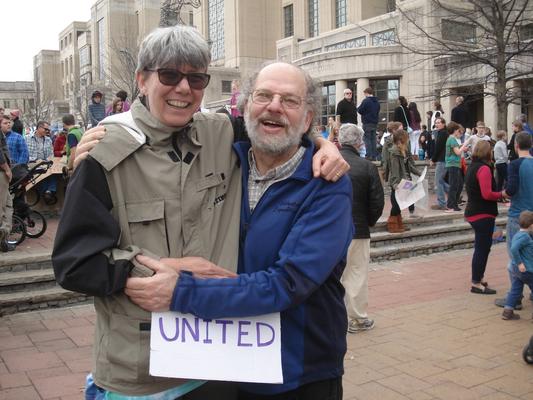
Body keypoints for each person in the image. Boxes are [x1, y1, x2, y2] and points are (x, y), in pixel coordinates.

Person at [53, 25, 347, 400]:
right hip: (143, 374)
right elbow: (74, 263)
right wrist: (159, 272)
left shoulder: (221, 134)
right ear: (142, 80)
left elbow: (280, 126)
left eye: (196, 78)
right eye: (170, 75)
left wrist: (326, 144)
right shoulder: (105, 155)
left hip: (219, 367)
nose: (183, 88)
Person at [338, 123, 384, 333]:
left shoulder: (326, 161)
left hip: (329, 230)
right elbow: (377, 202)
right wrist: (369, 221)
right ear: (359, 143)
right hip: (357, 229)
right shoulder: (367, 166)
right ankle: (356, 319)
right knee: (356, 273)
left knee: (332, 275)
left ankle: (333, 317)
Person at [495, 133, 533, 310]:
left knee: (515, 257)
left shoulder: (515, 165)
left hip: (519, 216)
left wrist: (501, 194)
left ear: (516, 146)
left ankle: (515, 298)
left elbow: (511, 189)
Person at [464, 140, 504, 295]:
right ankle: (476, 282)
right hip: (482, 213)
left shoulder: (472, 166)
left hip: (474, 211)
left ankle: (479, 277)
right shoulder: (484, 169)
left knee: (482, 248)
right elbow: (487, 193)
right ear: (488, 152)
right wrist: (502, 194)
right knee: (482, 249)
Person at [386, 129, 422, 233]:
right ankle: (392, 225)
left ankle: (398, 224)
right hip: (398, 182)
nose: (408, 140)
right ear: (401, 139)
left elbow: (408, 166)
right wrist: (395, 184)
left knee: (399, 204)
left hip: (404, 181)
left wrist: (419, 173)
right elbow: (394, 169)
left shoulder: (403, 150)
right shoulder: (394, 152)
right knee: (396, 204)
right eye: (406, 138)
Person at [501, 210, 533, 320]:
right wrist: (520, 263)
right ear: (531, 225)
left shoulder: (517, 234)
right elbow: (514, 249)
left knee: (515, 290)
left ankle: (507, 312)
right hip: (527, 270)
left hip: (516, 271)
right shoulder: (525, 237)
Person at [25, 120, 56, 201]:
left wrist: (48, 161)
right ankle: (47, 192)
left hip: (45, 162)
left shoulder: (48, 140)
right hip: (32, 163)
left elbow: (51, 154)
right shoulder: (27, 138)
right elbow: (25, 155)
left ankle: (49, 191)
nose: (47, 131)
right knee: (42, 170)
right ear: (39, 128)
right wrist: (35, 160)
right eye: (46, 129)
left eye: (48, 130)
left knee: (53, 171)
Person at [444, 122, 467, 212]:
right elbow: (457, 152)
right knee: (454, 186)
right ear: (455, 130)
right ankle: (450, 206)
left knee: (458, 185)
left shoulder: (452, 139)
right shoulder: (452, 139)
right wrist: (464, 146)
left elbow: (456, 150)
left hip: (455, 164)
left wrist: (461, 147)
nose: (459, 132)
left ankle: (454, 204)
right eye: (458, 130)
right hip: (452, 164)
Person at [0, 117, 13, 253]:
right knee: (2, 206)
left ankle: (4, 234)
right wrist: (7, 169)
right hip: (1, 172)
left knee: (8, 204)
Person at [430, 117, 449, 210]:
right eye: (436, 123)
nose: (437, 124)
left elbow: (438, 148)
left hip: (442, 160)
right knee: (440, 181)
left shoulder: (442, 133)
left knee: (438, 181)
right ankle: (454, 195)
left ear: (443, 124)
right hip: (444, 159)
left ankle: (441, 203)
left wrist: (433, 159)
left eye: (438, 123)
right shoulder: (443, 133)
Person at [357, 87, 380, 160]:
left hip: (367, 122)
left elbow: (360, 110)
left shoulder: (366, 101)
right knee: (373, 139)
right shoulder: (377, 102)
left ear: (366, 93)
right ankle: (374, 156)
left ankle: (368, 155)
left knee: (367, 139)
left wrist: (358, 108)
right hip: (374, 122)